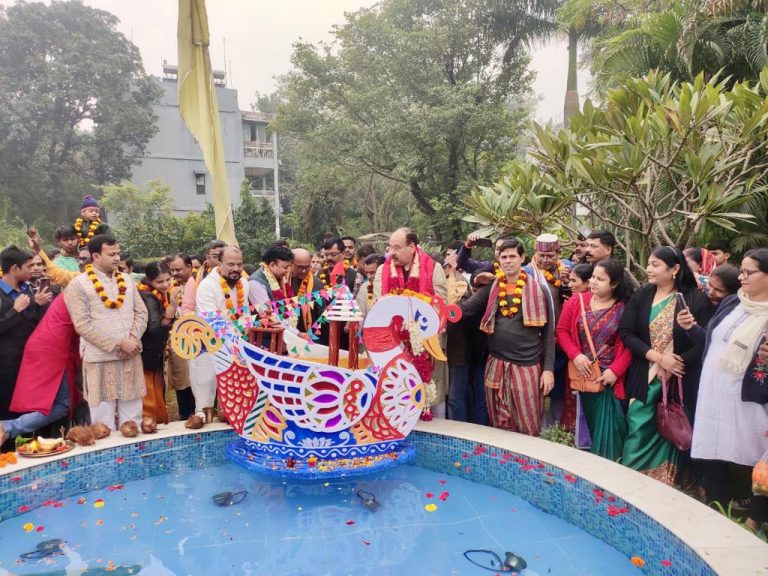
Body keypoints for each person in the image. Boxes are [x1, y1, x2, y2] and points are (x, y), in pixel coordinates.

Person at [681, 248, 768, 530]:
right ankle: (715, 503)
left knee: (753, 452)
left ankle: (754, 514)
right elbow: (713, 342)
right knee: (714, 443)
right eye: (741, 271)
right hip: (714, 390)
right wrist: (692, 328)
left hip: (750, 398)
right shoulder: (733, 302)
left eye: (749, 272)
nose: (741, 277)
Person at [619, 246, 713, 485]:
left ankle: (667, 481)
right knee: (638, 424)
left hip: (680, 378)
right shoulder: (642, 295)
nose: (648, 269)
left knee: (672, 426)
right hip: (645, 374)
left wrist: (677, 363)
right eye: (649, 264)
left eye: (655, 265)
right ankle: (632, 480)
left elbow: (706, 339)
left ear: (675, 269)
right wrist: (659, 358)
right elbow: (627, 332)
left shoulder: (695, 299)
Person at [460, 238, 555, 435]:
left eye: (512, 256)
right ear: (498, 260)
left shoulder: (540, 289)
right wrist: (439, 312)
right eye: (504, 257)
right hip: (497, 363)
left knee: (528, 424)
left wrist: (548, 370)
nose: (508, 261)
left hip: (527, 365)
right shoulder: (493, 287)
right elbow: (467, 309)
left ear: (522, 258)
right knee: (499, 423)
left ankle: (528, 455)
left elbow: (548, 333)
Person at [64, 235, 147, 433]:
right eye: (111, 254)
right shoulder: (78, 285)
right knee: (102, 423)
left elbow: (141, 313)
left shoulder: (127, 280)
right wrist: (119, 344)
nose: (117, 258)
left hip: (130, 356)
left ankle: (133, 451)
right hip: (100, 359)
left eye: (118, 253)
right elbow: (82, 325)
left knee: (133, 419)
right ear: (95, 256)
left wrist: (132, 339)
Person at [557, 258, 633, 460]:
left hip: (611, 380)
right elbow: (562, 331)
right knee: (588, 427)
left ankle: (610, 471)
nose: (593, 282)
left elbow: (631, 343)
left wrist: (615, 371)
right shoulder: (577, 301)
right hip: (585, 377)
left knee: (611, 432)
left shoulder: (625, 307)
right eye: (592, 277)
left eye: (600, 279)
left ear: (614, 283)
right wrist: (576, 355)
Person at [0, 295, 82, 443]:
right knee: (62, 404)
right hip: (52, 350)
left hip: (51, 348)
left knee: (57, 404)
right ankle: (7, 427)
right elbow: (85, 327)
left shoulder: (73, 292)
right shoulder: (79, 291)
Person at [194, 246, 250, 424]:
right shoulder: (207, 286)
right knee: (206, 390)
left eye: (239, 264)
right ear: (219, 263)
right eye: (231, 264)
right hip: (208, 346)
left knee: (234, 393)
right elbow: (212, 322)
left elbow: (245, 313)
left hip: (235, 347)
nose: (236, 269)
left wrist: (247, 327)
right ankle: (203, 423)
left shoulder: (244, 283)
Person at [0, 246, 52, 420]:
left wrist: (38, 304)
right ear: (15, 268)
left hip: (29, 361)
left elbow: (31, 322)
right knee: (7, 410)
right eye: (29, 266)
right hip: (6, 365)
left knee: (28, 408)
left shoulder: (27, 289)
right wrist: (15, 311)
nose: (34, 269)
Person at [138, 262, 176, 425]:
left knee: (156, 393)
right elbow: (154, 328)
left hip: (152, 355)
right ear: (149, 280)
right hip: (147, 355)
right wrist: (170, 312)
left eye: (168, 279)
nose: (165, 284)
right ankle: (151, 426)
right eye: (160, 282)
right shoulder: (147, 296)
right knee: (149, 399)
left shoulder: (158, 294)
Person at [165, 253, 195, 419]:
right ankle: (185, 415)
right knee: (181, 379)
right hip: (177, 341)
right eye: (172, 270)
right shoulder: (170, 287)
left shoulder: (197, 285)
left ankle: (199, 413)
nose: (175, 273)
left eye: (178, 270)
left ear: (189, 267)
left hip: (196, 340)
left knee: (197, 379)